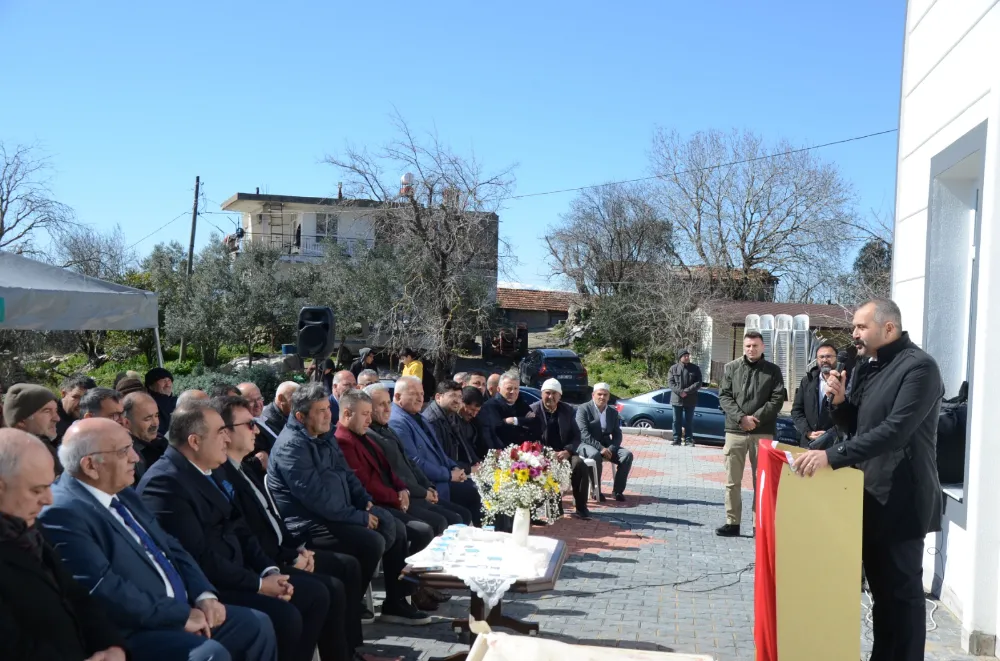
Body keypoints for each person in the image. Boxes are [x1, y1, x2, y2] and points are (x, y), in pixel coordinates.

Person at [40, 418, 279, 661]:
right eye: (124, 451)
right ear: (90, 465)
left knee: (256, 625)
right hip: (135, 630)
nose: (135, 457)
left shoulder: (122, 491)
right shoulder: (63, 512)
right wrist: (179, 615)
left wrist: (203, 595)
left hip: (179, 609)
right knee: (208, 655)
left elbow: (171, 546)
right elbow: (104, 588)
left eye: (131, 447)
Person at [792, 299, 943, 661]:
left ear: (888, 328)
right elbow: (857, 428)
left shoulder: (919, 368)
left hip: (902, 501)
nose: (854, 334)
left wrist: (830, 456)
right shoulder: (867, 366)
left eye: (861, 327)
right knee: (881, 598)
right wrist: (841, 403)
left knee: (902, 600)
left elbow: (894, 432)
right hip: (868, 497)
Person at [137, 402, 335, 661]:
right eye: (220, 432)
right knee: (284, 615)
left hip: (240, 572)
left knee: (315, 594)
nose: (226, 437)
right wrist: (260, 584)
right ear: (195, 441)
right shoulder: (165, 483)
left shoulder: (208, 469)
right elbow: (200, 556)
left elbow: (240, 529)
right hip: (211, 585)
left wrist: (269, 570)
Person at [214, 396, 368, 661]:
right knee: (322, 590)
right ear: (225, 433)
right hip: (270, 558)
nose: (258, 430)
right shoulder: (224, 476)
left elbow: (271, 519)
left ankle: (347, 652)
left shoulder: (243, 468)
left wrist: (297, 550)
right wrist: (289, 558)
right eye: (250, 425)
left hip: (284, 546)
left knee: (346, 567)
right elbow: (248, 536)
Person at [267, 384, 431, 625]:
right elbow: (317, 499)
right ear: (301, 417)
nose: (328, 415)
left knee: (392, 525)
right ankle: (350, 609)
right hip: (309, 523)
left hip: (336, 514)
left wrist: (365, 502)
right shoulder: (292, 447)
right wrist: (359, 517)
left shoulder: (324, 436)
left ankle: (394, 603)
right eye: (320, 411)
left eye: (327, 408)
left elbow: (348, 475)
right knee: (370, 542)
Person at [0, 429, 127, 661]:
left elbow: (75, 596)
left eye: (50, 486)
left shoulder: (29, 530)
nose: (49, 499)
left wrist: (110, 645)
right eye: (36, 490)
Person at [332, 390, 443, 613]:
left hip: (389, 498)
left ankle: (410, 592)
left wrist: (402, 489)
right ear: (346, 413)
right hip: (372, 503)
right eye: (365, 414)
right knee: (411, 530)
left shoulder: (363, 435)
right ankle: (398, 597)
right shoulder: (343, 440)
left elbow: (388, 469)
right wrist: (395, 497)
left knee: (425, 526)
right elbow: (363, 482)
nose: (369, 418)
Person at [365, 383, 471, 529]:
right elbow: (397, 471)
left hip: (424, 485)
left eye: (421, 394)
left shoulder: (392, 427)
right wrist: (425, 491)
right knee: (449, 519)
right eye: (414, 394)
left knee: (462, 513)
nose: (387, 408)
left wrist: (430, 485)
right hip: (407, 494)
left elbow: (413, 461)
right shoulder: (392, 425)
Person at [716, 330, 785, 537]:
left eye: (755, 345)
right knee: (732, 480)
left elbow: (777, 399)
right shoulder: (731, 368)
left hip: (762, 432)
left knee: (761, 481)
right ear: (743, 347)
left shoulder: (773, 371)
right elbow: (724, 396)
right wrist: (741, 418)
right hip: (735, 431)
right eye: (748, 346)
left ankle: (760, 524)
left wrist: (755, 418)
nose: (751, 349)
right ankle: (732, 522)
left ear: (762, 347)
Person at [389, 376, 482, 525]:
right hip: (428, 484)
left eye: (421, 393)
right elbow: (415, 462)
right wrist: (449, 475)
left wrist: (455, 467)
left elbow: (438, 452)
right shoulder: (397, 422)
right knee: (464, 510)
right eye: (414, 394)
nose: (420, 398)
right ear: (398, 396)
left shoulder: (418, 416)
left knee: (477, 493)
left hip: (442, 478)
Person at [531, 379, 590, 519]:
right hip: (542, 455)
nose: (550, 397)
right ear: (541, 394)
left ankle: (581, 507)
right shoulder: (533, 410)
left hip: (565, 452)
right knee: (550, 469)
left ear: (560, 396)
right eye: (547, 393)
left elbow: (577, 436)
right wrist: (547, 453)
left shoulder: (568, 410)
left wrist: (567, 451)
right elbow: (530, 437)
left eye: (554, 394)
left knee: (579, 465)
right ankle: (555, 508)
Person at [576, 383, 632, 502]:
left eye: (605, 395)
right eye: (599, 394)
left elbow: (617, 434)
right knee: (595, 455)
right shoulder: (583, 409)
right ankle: (596, 491)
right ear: (593, 395)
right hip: (586, 444)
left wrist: (611, 448)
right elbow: (583, 433)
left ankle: (617, 491)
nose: (602, 397)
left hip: (607, 445)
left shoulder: (612, 412)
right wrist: (600, 448)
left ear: (608, 396)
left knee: (627, 455)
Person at [3, 383, 61, 473]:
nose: (57, 418)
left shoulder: (47, 449)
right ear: (22, 421)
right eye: (47, 411)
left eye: (56, 410)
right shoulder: (16, 460)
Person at [423, 380, 479, 472]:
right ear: (438, 397)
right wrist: (469, 469)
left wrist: (477, 463)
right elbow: (440, 457)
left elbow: (464, 444)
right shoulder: (432, 421)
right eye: (452, 396)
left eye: (460, 397)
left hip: (456, 469)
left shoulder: (451, 414)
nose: (457, 401)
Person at [790, 342, 839, 447]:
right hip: (809, 443)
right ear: (817, 360)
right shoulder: (807, 381)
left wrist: (830, 434)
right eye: (821, 357)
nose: (825, 360)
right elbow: (797, 411)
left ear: (836, 358)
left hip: (835, 445)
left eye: (829, 356)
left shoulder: (845, 381)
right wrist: (807, 431)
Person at [477, 373, 539, 450]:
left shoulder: (521, 405)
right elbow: (496, 431)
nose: (512, 392)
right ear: (499, 389)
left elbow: (536, 423)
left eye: (516, 388)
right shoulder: (489, 407)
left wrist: (515, 420)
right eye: (509, 388)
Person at [122, 392, 167, 485]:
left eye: (156, 415)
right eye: (147, 419)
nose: (155, 423)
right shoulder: (127, 457)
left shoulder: (163, 442)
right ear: (126, 423)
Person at [667, 349, 702, 447]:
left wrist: (686, 391)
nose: (687, 357)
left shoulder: (695, 368)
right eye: (685, 356)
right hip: (676, 399)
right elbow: (671, 383)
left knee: (689, 421)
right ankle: (676, 439)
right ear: (680, 357)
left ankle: (689, 440)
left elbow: (698, 383)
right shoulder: (673, 368)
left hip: (690, 399)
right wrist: (680, 392)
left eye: (688, 356)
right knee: (676, 420)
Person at [237, 382, 271, 477]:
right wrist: (257, 462)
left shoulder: (268, 418)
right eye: (251, 401)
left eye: (259, 398)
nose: (257, 404)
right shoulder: (242, 428)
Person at [55, 374, 96, 444]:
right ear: (63, 394)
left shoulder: (94, 415)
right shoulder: (49, 417)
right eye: (76, 397)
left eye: (87, 398)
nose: (82, 403)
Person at [144, 367, 176, 436]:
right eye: (163, 381)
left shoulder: (178, 401)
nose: (168, 384)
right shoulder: (147, 405)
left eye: (169, 380)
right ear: (150, 386)